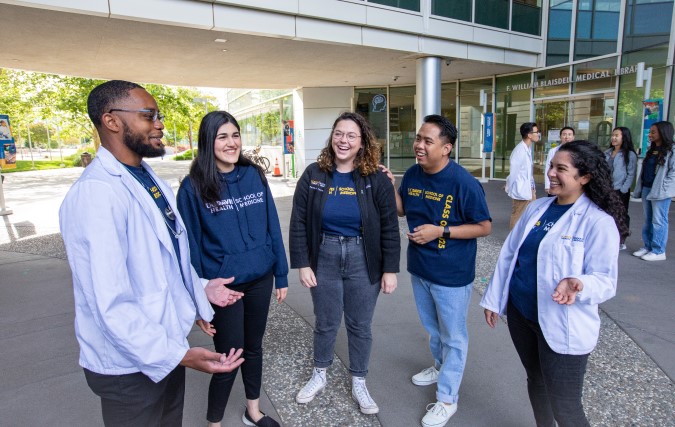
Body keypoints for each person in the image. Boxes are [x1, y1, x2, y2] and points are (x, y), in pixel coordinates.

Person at [59, 80, 244, 427]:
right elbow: (109, 301)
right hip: (129, 367)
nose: (159, 123)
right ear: (112, 121)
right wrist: (180, 355)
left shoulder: (146, 176)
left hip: (165, 346)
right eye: (149, 115)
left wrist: (199, 291)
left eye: (158, 115)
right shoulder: (96, 194)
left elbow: (167, 256)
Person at [481, 140, 627, 427]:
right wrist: (494, 299)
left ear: (584, 177)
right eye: (551, 166)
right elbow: (510, 255)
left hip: (563, 322)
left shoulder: (597, 222)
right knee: (536, 380)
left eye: (561, 168)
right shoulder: (537, 209)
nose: (551, 173)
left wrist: (578, 283)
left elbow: (606, 281)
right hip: (523, 315)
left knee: (566, 407)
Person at [176, 111, 288, 427]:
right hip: (224, 287)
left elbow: (272, 227)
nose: (231, 143)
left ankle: (253, 411)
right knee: (228, 357)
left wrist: (280, 271)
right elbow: (190, 248)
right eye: (222, 136)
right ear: (208, 142)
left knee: (253, 349)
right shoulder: (192, 187)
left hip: (261, 278)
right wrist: (199, 299)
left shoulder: (254, 175)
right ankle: (214, 423)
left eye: (235, 135)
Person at [290, 112, 400, 415]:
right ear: (332, 137)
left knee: (360, 325)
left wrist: (390, 269)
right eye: (339, 133)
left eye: (351, 135)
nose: (344, 140)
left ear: (362, 141)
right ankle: (320, 374)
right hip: (323, 255)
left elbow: (390, 225)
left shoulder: (375, 179)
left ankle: (359, 380)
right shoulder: (314, 174)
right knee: (325, 322)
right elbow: (299, 220)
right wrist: (303, 263)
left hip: (363, 258)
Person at [385, 114, 491, 427]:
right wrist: (391, 186)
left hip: (452, 275)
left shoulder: (464, 183)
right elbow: (402, 209)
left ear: (446, 148)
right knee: (434, 329)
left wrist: (440, 231)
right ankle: (440, 366)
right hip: (420, 268)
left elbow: (484, 227)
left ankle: (447, 399)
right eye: (418, 138)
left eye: (427, 141)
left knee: (454, 337)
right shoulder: (414, 174)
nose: (418, 145)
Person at [632, 121, 675, 261]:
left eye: (653, 132)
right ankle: (648, 246)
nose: (650, 135)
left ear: (663, 133)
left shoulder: (672, 150)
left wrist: (664, 188)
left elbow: (673, 173)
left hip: (660, 191)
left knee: (659, 220)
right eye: (650, 132)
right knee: (648, 219)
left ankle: (658, 250)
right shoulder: (652, 149)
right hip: (647, 188)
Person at [605, 127, 637, 250]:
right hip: (607, 189)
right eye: (613, 135)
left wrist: (624, 189)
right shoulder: (607, 152)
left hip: (620, 189)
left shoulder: (629, 154)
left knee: (621, 215)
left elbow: (631, 174)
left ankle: (621, 240)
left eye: (616, 135)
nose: (613, 137)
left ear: (624, 137)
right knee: (608, 214)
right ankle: (609, 238)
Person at [506, 122, 539, 229]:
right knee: (518, 215)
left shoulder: (527, 148)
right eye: (536, 132)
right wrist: (509, 187)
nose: (538, 134)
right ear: (529, 135)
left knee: (530, 215)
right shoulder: (520, 150)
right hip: (521, 190)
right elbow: (514, 172)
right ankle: (512, 240)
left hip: (529, 189)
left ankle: (522, 238)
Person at [544, 126, 575, 195]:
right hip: (556, 183)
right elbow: (548, 167)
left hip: (571, 185)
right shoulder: (553, 151)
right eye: (564, 134)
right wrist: (547, 185)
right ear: (560, 137)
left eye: (569, 134)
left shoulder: (577, 151)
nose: (567, 137)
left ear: (573, 137)